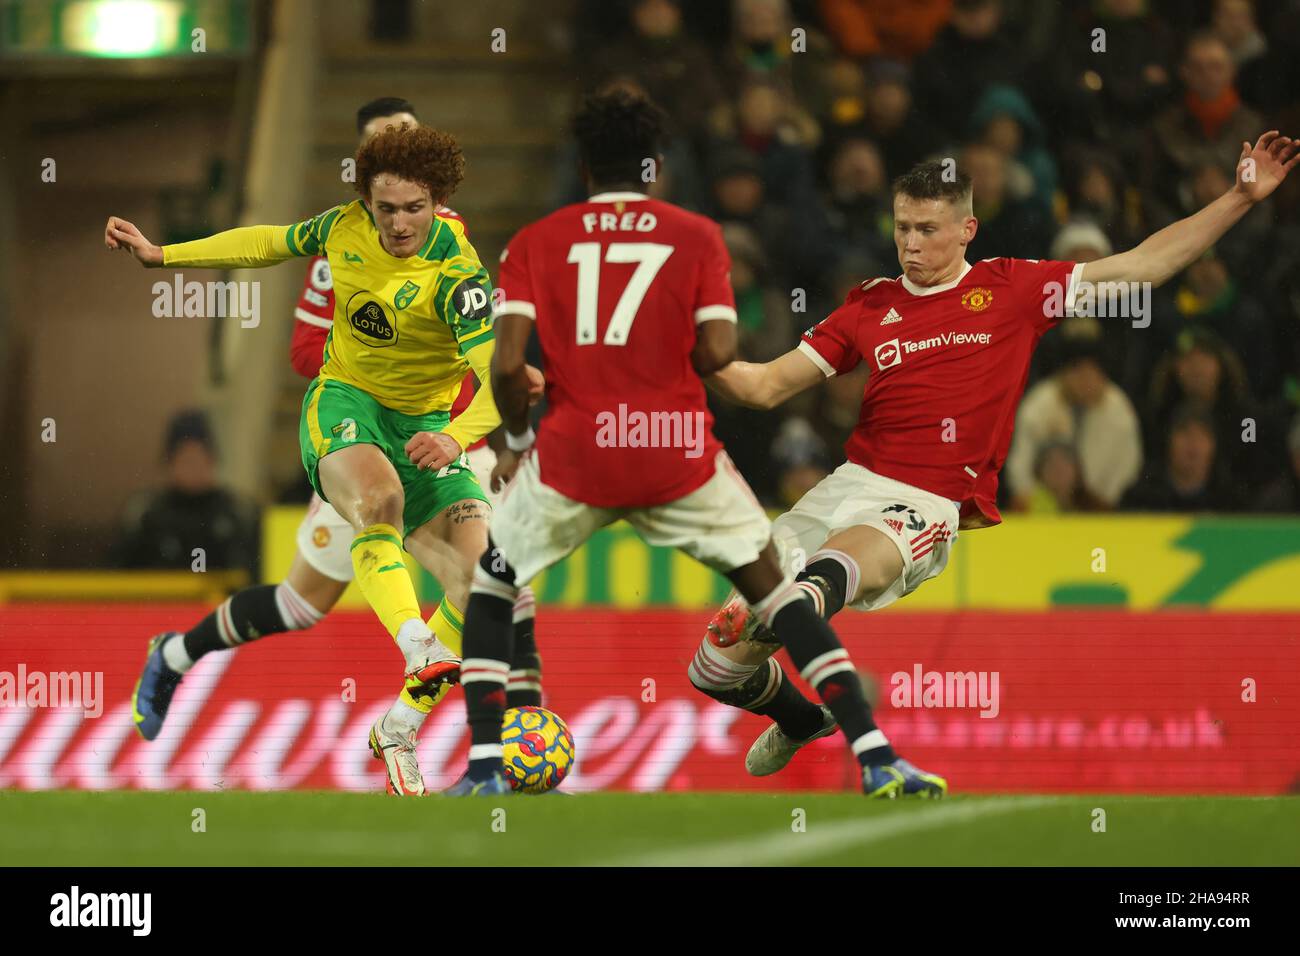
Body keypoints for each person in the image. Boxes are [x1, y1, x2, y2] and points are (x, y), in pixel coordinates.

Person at [703, 129, 1296, 777]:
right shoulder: (870, 307)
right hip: (847, 485)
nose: (910, 242)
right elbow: (760, 387)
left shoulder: (1013, 290)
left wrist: (1240, 198)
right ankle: (800, 718)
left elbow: (1144, 265)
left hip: (925, 502)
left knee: (819, 584)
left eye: (928, 228)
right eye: (902, 227)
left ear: (967, 231)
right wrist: (689, 351)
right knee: (713, 665)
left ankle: (855, 724)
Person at [447, 91, 945, 799]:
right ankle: (876, 756)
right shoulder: (696, 235)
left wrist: (518, 441)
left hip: (576, 450)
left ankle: (485, 771)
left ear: (584, 165)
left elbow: (505, 367)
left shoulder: (535, 241)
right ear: (654, 169)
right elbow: (718, 348)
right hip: (676, 450)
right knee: (779, 597)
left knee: (494, 588)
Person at [120, 99, 548, 797]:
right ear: (365, 189)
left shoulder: (460, 275)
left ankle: (404, 728)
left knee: (483, 587)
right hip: (347, 413)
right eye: (386, 207)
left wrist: (459, 427)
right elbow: (267, 245)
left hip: (431, 435)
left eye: (413, 207)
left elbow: (493, 385)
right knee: (375, 508)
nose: (399, 222)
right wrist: (163, 255)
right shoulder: (343, 232)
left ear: (436, 196)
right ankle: (429, 671)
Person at [114, 410, 259, 577]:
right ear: (169, 463)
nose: (193, 468)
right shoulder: (147, 514)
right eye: (186, 460)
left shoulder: (237, 513)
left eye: (200, 458)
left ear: (212, 461)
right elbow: (120, 572)